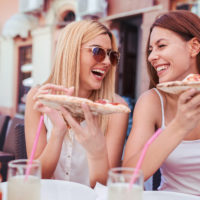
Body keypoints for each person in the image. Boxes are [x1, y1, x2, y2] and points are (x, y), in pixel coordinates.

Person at [25, 20, 129, 188]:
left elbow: (105, 188)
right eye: (98, 52)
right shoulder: (38, 97)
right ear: (71, 52)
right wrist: (58, 132)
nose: (108, 63)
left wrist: (97, 153)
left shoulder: (115, 109)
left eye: (111, 55)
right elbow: (36, 178)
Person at [123, 10, 200, 195]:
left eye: (161, 46)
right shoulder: (152, 102)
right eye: (151, 50)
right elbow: (127, 178)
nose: (151, 57)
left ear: (194, 46)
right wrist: (178, 127)